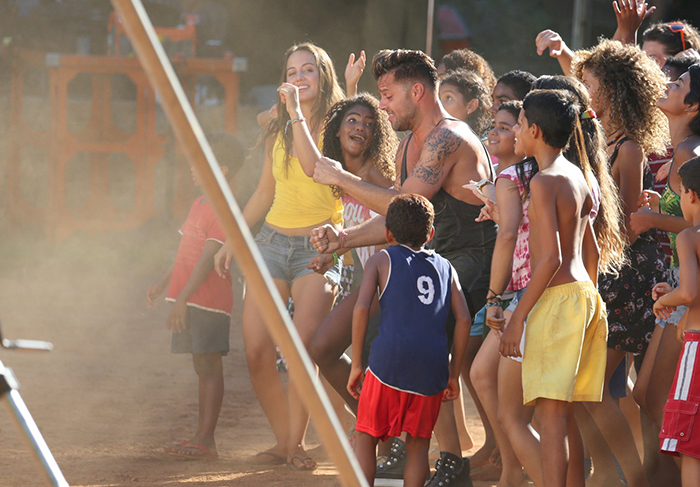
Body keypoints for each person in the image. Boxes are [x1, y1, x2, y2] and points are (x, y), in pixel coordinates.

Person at [310, 48, 496, 486]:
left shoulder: (449, 138)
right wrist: (344, 241)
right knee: (324, 346)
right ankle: (394, 436)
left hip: (466, 265)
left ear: (417, 91)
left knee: (427, 353)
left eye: (388, 95)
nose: (384, 105)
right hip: (421, 261)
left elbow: (402, 206)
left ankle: (449, 461)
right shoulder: (411, 144)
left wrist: (340, 177)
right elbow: (402, 221)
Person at [215, 42, 345, 470]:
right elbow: (263, 192)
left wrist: (291, 115)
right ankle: (283, 439)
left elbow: (315, 170)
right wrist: (233, 240)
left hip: (319, 247)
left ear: (323, 75)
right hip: (271, 243)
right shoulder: (277, 126)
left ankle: (296, 445)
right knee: (256, 351)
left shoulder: (339, 123)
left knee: (300, 351)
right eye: (292, 70)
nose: (300, 77)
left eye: (309, 69)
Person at [573, 38, 670, 487]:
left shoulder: (627, 149)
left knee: (588, 388)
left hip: (625, 285)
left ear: (611, 89)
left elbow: (632, 226)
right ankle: (610, 478)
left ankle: (631, 478)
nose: (581, 87)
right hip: (606, 279)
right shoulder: (600, 139)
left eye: (588, 82)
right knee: (582, 392)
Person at [500, 89, 608, 487]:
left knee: (551, 418)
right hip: (583, 298)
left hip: (558, 301)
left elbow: (549, 260)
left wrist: (517, 319)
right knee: (564, 414)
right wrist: (588, 302)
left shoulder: (544, 183)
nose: (514, 130)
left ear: (535, 130)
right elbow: (591, 251)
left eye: (519, 122)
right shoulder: (578, 175)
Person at [348, 193, 470, 487]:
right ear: (431, 234)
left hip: (388, 361)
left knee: (366, 437)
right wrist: (453, 374)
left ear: (388, 233)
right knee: (418, 445)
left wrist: (356, 364)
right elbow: (464, 318)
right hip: (431, 368)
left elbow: (362, 308)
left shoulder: (381, 260)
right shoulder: (446, 267)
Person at [147, 133, 244, 460]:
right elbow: (184, 251)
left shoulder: (224, 205)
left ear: (223, 170)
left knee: (209, 365)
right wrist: (164, 285)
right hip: (189, 296)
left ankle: (206, 440)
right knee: (201, 365)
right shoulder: (198, 203)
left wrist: (184, 299)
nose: (192, 167)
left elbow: (207, 258)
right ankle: (202, 439)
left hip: (209, 300)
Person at [631, 63, 700, 483]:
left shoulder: (690, 152)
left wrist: (654, 221)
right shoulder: (681, 149)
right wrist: (659, 210)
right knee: (647, 394)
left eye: (678, 84)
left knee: (658, 399)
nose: (668, 85)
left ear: (692, 105)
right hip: (676, 280)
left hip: (686, 285)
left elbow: (695, 228)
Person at [653, 155, 700, 487]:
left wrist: (666, 299)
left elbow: (688, 294)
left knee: (689, 444)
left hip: (697, 346)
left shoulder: (689, 237)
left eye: (681, 192)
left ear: (692, 195)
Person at [439, 68, 492, 139]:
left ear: (471, 106)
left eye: (449, 98)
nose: (439, 104)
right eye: (438, 98)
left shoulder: (474, 145)